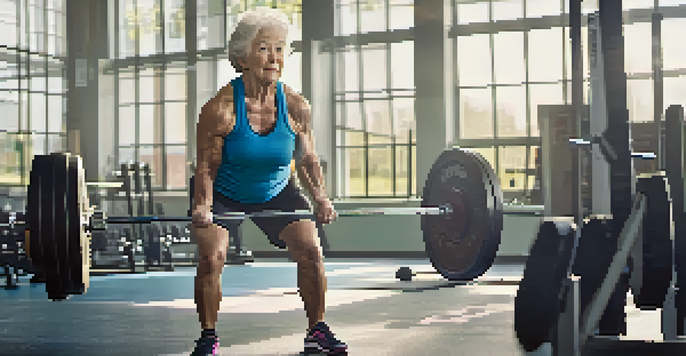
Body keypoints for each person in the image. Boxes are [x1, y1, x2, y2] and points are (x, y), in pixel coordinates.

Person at [190, 7, 348, 356]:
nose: (274, 57)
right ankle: (208, 336)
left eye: (279, 48)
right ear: (243, 57)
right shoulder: (221, 108)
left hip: (277, 190)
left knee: (311, 252)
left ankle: (316, 331)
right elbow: (205, 166)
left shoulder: (295, 106)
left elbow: (307, 159)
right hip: (223, 192)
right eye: (263, 48)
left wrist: (321, 197)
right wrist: (203, 205)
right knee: (212, 257)